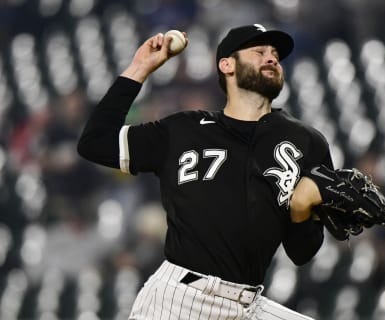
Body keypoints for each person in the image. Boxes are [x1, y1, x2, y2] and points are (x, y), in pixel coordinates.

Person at [77, 24, 331, 320]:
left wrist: (301, 209)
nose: (272, 58)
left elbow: (302, 253)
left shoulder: (306, 142)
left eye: (275, 54)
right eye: (259, 52)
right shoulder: (183, 130)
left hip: (248, 304)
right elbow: (95, 143)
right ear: (227, 65)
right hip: (180, 299)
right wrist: (140, 68)